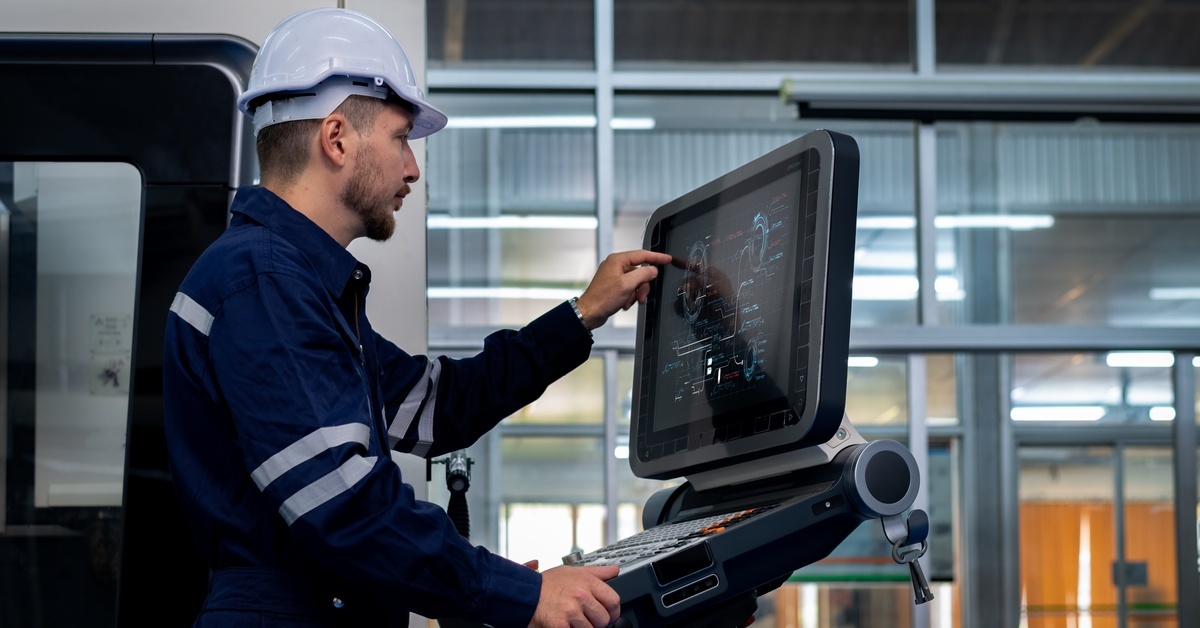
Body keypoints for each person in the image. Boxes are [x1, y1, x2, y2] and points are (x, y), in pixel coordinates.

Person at [162, 7, 671, 627]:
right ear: (337, 138)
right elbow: (344, 506)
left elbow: (436, 405)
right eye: (401, 138)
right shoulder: (264, 282)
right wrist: (521, 594)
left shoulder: (295, 286)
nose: (412, 167)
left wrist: (582, 314)